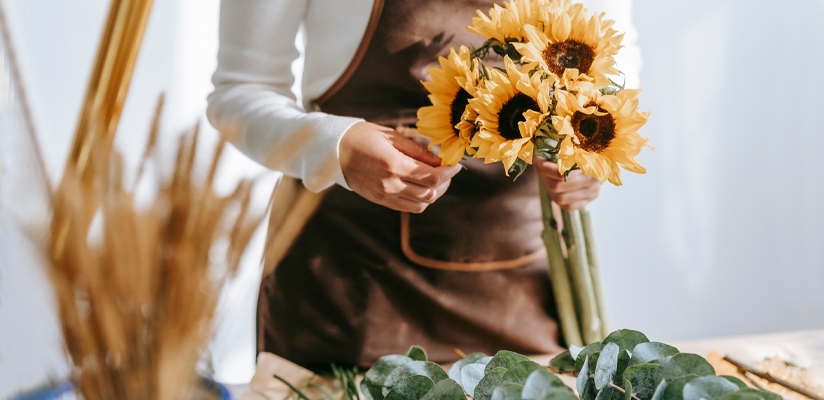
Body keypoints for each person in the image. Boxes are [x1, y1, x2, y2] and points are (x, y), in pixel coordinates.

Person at [208, 0, 641, 370]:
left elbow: (616, 48)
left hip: (524, 279)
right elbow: (240, 89)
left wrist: (590, 148)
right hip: (349, 276)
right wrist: (333, 147)